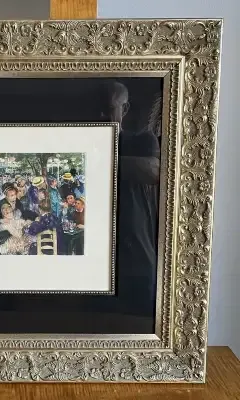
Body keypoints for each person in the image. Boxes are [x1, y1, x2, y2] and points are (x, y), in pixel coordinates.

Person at [100, 80, 160, 314]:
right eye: (99, 109)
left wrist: (101, 162)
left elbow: (155, 171)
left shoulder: (141, 140)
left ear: (124, 109)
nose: (102, 116)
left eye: (109, 108)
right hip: (99, 250)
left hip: (136, 246)